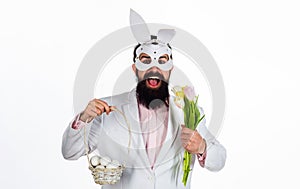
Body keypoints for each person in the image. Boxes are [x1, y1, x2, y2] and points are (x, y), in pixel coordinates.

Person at [62, 9, 226, 189]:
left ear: (170, 70)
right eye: (145, 60)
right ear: (135, 69)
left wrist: (202, 147)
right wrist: (84, 118)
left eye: (162, 61)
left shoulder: (188, 112)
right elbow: (70, 152)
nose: (154, 68)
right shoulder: (108, 109)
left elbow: (219, 159)